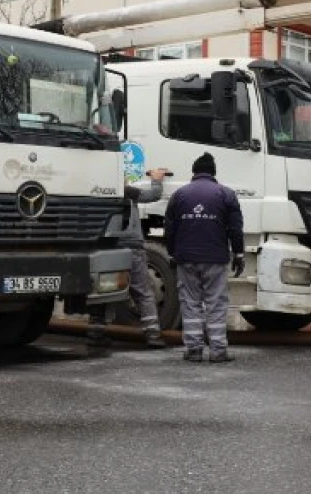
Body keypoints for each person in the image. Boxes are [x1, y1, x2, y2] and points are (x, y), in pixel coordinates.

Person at [164, 152, 245, 363]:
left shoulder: (179, 195)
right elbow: (235, 229)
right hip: (215, 258)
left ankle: (193, 350)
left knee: (190, 302)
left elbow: (169, 229)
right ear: (214, 173)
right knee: (216, 303)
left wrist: (173, 253)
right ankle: (218, 351)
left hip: (186, 258)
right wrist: (239, 253)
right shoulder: (226, 194)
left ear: (194, 171)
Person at [86, 167, 171, 350]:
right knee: (142, 290)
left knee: (104, 290)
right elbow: (152, 195)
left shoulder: (95, 194)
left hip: (107, 248)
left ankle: (95, 332)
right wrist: (157, 179)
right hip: (132, 247)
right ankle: (152, 334)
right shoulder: (126, 191)